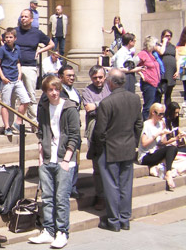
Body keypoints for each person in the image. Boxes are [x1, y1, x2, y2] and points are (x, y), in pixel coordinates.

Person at [29, 75, 80, 249]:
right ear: (45, 91)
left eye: (56, 89)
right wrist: (41, 157)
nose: (54, 93)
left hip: (63, 159)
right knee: (47, 197)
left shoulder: (69, 108)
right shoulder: (43, 108)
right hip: (47, 157)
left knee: (61, 197)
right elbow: (41, 132)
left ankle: (62, 231)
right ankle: (48, 230)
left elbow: (74, 136)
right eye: (50, 90)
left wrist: (66, 159)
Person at [92, 69, 142, 232]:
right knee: (126, 185)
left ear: (111, 82)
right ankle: (124, 219)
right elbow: (139, 124)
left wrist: (98, 149)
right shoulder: (135, 99)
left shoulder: (106, 103)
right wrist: (133, 141)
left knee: (112, 185)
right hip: (127, 148)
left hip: (110, 149)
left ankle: (114, 220)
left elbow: (99, 131)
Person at [15, 9, 54, 127]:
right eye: (22, 16)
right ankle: (13, 123)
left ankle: (34, 122)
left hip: (30, 66)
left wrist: (40, 50)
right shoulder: (15, 31)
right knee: (14, 96)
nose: (23, 19)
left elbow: (51, 44)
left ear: (31, 19)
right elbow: (2, 39)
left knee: (30, 94)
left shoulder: (37, 33)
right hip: (15, 67)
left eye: (26, 17)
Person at [81, 65, 111, 210]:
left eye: (100, 77)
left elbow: (98, 107)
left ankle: (111, 195)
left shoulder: (110, 88)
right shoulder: (87, 91)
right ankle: (101, 196)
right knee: (98, 166)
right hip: (94, 133)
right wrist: (107, 104)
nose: (98, 80)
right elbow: (89, 108)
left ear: (105, 76)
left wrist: (98, 105)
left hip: (111, 131)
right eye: (95, 78)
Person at [137, 102, 181, 192]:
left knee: (173, 148)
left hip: (155, 152)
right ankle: (168, 172)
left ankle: (168, 172)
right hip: (146, 155)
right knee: (169, 149)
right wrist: (157, 134)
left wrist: (176, 138)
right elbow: (144, 143)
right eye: (160, 114)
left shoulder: (160, 124)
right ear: (153, 112)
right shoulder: (146, 125)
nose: (162, 116)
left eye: (163, 114)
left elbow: (163, 142)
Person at [0, 28, 30, 136]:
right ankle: (7, 127)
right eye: (6, 37)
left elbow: (18, 62)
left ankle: (18, 121)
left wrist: (20, 73)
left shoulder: (17, 49)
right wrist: (2, 77)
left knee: (26, 100)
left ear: (15, 38)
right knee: (5, 104)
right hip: (7, 80)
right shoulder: (2, 49)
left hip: (16, 78)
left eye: (11, 37)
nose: (8, 39)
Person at [58, 65, 82, 199]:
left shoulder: (76, 92)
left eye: (73, 75)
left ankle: (73, 186)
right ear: (60, 77)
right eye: (69, 76)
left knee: (75, 160)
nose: (72, 78)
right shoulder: (58, 92)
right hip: (64, 131)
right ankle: (65, 188)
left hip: (75, 131)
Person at [137, 35, 161, 120]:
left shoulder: (153, 55)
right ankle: (145, 125)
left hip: (155, 83)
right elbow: (132, 64)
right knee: (148, 106)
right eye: (156, 44)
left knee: (155, 106)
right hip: (148, 83)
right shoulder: (142, 54)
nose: (157, 46)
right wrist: (142, 74)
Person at [158, 29, 177, 106]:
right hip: (163, 73)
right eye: (166, 36)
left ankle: (168, 113)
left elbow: (177, 59)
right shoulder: (159, 45)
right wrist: (164, 43)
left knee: (168, 94)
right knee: (160, 93)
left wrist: (177, 70)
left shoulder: (173, 47)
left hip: (171, 72)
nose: (168, 37)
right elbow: (161, 52)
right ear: (162, 36)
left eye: (170, 36)